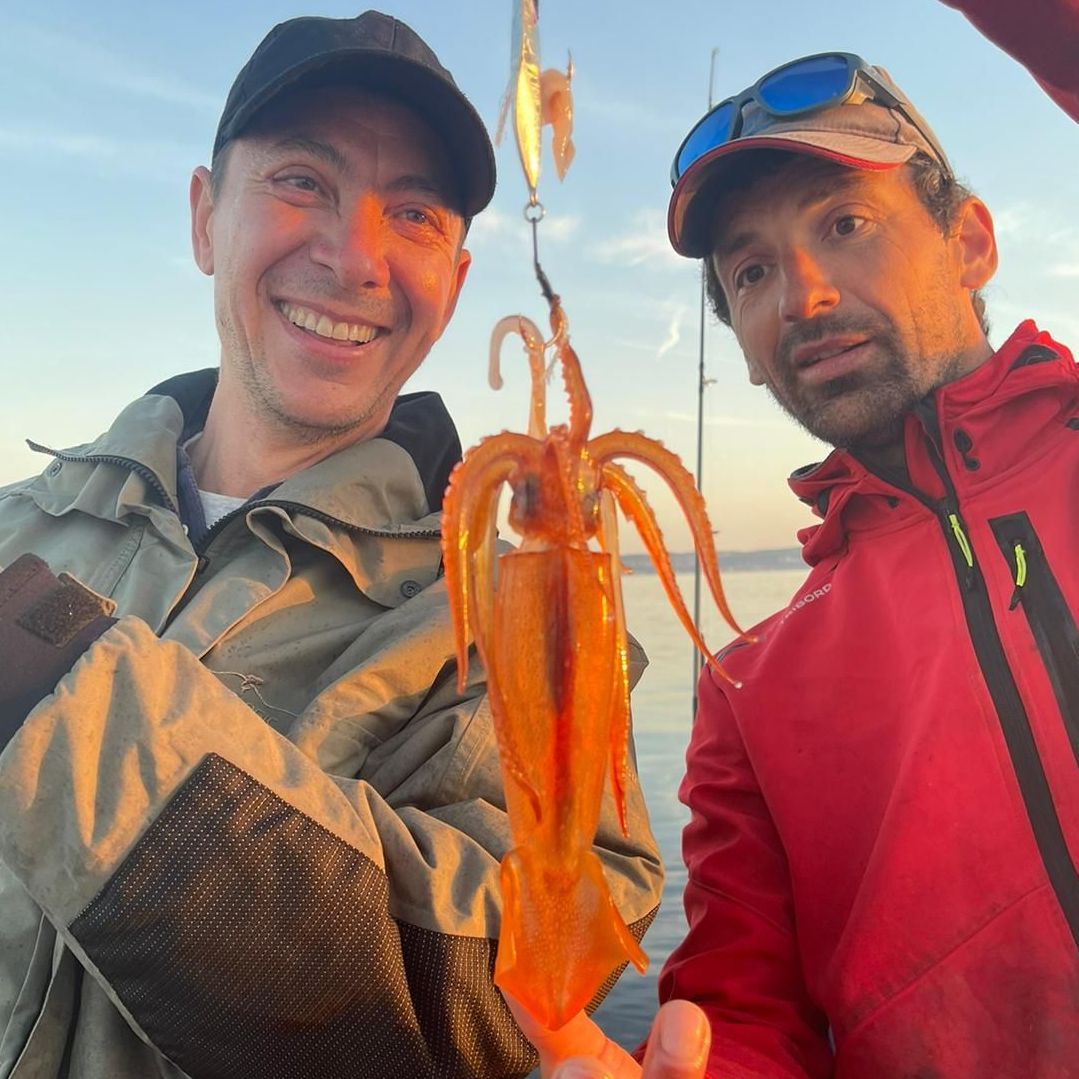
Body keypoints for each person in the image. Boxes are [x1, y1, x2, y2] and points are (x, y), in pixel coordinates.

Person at [0, 12, 663, 1078]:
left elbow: (486, 1000)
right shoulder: (17, 524)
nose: (355, 255)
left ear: (452, 274)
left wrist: (41, 672)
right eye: (303, 180)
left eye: (412, 212)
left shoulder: (505, 632)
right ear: (205, 216)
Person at [516, 6, 1079, 1079]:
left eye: (843, 224)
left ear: (968, 241)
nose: (803, 296)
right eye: (750, 274)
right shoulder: (743, 689)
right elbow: (744, 1014)